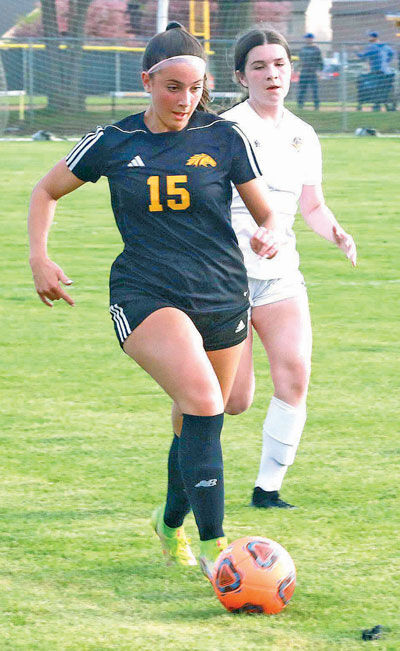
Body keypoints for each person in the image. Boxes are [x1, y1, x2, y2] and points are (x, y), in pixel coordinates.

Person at [28, 22, 280, 580]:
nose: (185, 100)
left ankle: (169, 524)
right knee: (203, 403)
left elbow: (267, 214)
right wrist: (40, 257)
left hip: (221, 293)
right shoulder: (114, 142)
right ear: (147, 81)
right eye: (172, 87)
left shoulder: (225, 138)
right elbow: (45, 191)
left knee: (220, 407)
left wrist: (272, 234)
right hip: (146, 294)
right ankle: (220, 550)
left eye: (196, 89)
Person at [221, 27, 357, 509]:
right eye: (258, 66)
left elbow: (312, 206)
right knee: (233, 400)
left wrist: (336, 231)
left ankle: (267, 489)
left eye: (279, 64)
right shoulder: (225, 129)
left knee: (296, 375)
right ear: (241, 76)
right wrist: (253, 232)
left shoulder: (303, 134)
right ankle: (188, 466)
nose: (271, 73)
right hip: (227, 276)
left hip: (281, 275)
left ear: (291, 71)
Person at [356, 31, 395, 111]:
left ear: (374, 38)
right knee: (384, 89)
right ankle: (383, 105)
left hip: (376, 72)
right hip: (386, 73)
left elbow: (362, 56)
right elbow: (392, 53)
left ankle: (376, 105)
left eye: (369, 37)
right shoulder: (385, 46)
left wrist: (356, 51)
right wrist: (387, 62)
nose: (368, 38)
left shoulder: (372, 47)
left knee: (372, 87)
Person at [297, 33, 323, 110]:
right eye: (306, 38)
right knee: (302, 89)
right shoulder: (303, 49)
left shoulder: (316, 49)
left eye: (309, 38)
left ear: (312, 39)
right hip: (304, 72)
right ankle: (300, 105)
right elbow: (300, 61)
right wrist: (298, 69)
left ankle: (316, 105)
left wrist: (319, 71)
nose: (307, 40)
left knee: (315, 90)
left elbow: (320, 62)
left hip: (313, 72)